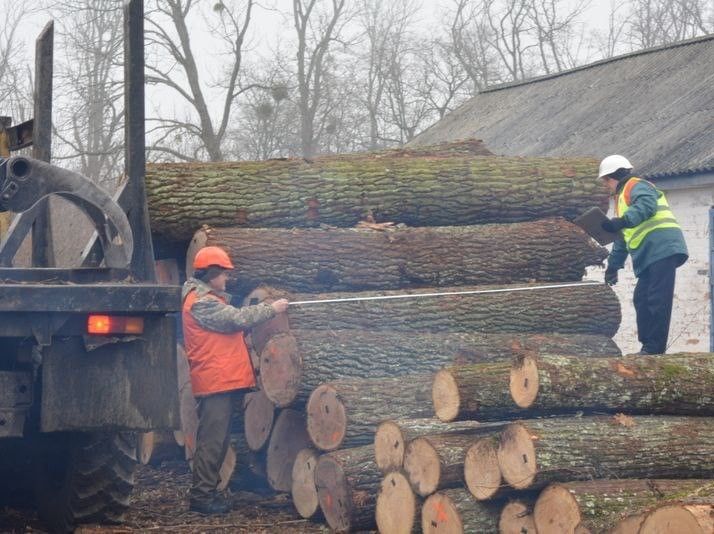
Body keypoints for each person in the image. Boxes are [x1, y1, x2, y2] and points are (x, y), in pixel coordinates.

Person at [182, 245, 289, 514]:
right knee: (212, 441)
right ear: (211, 274)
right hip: (215, 382)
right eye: (224, 274)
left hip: (222, 381)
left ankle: (210, 492)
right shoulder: (201, 302)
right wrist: (271, 309)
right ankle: (202, 497)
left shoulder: (209, 300)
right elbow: (237, 319)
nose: (226, 279)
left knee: (218, 440)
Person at [598, 155, 688, 355]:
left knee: (657, 299)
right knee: (642, 299)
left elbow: (647, 205)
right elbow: (623, 238)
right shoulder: (622, 200)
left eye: (605, 181)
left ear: (612, 177)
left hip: (662, 248)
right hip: (650, 254)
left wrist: (621, 221)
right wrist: (613, 266)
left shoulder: (636, 185)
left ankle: (654, 349)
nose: (606, 186)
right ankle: (648, 347)